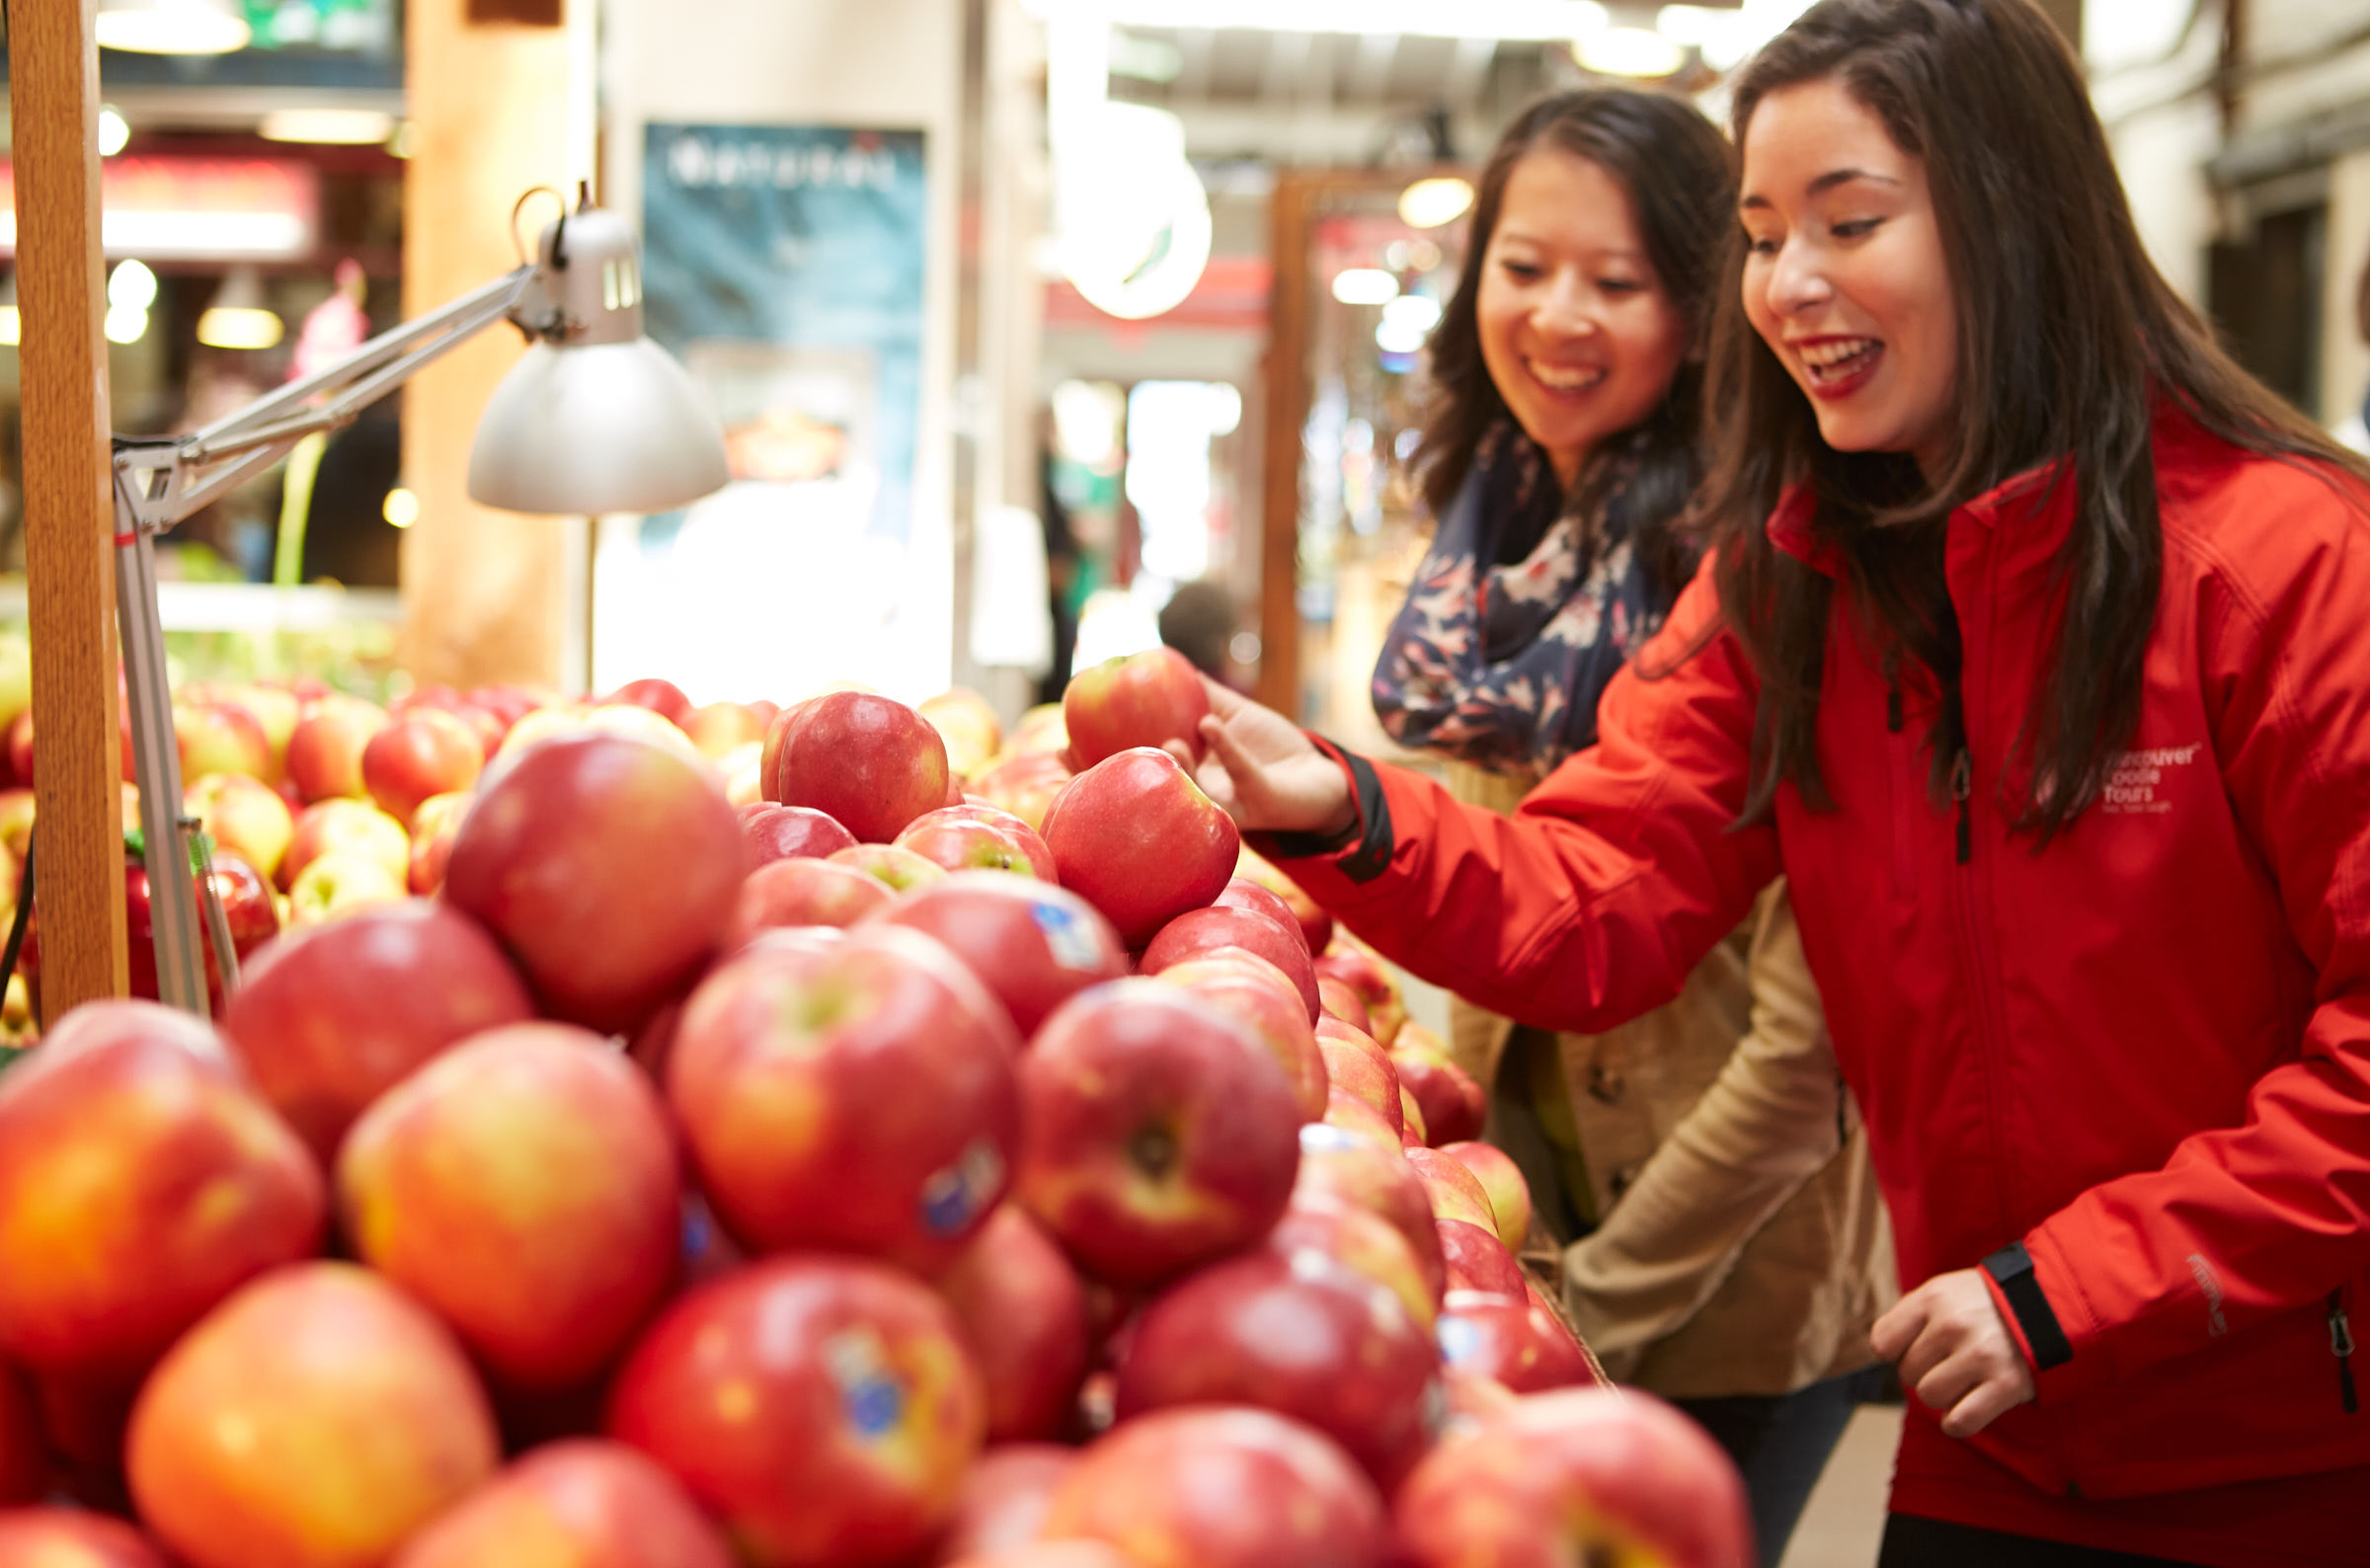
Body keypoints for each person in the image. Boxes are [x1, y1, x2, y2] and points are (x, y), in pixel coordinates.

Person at [1173, 1, 2370, 1562]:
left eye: (1849, 222)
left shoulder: (2286, 567)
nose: (1787, 286)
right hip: (1984, 1444)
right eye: (1757, 233)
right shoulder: (1793, 588)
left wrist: (2078, 1290)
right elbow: (1596, 900)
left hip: (2276, 1465)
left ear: (2013, 224)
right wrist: (1339, 806)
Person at [1369, 87, 1890, 1566]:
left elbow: (1808, 1048)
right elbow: (1506, 873)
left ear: (1708, 305)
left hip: (1722, 1275)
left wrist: (1597, 1292)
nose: (1558, 318)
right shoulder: (1502, 520)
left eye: (1620, 281)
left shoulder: (1771, 559)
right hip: (1532, 1207)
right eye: (1525, 269)